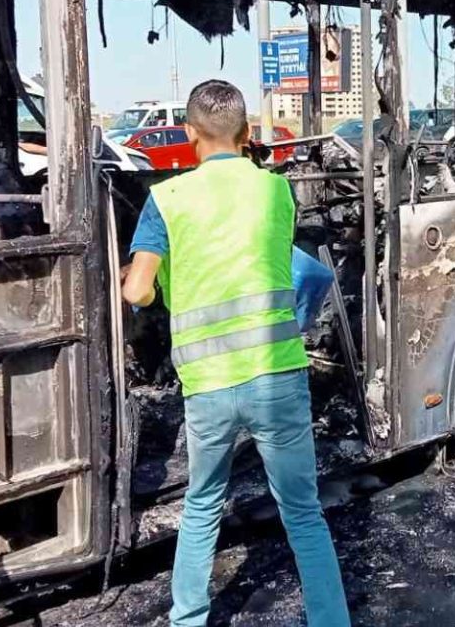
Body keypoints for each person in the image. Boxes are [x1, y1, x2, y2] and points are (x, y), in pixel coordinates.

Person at [120, 79, 351, 627]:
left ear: (189, 133)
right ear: (247, 133)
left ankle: (188, 620)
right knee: (303, 514)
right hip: (277, 375)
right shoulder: (276, 192)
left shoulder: (166, 199)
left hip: (209, 383)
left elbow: (136, 291)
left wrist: (160, 285)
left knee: (201, 507)